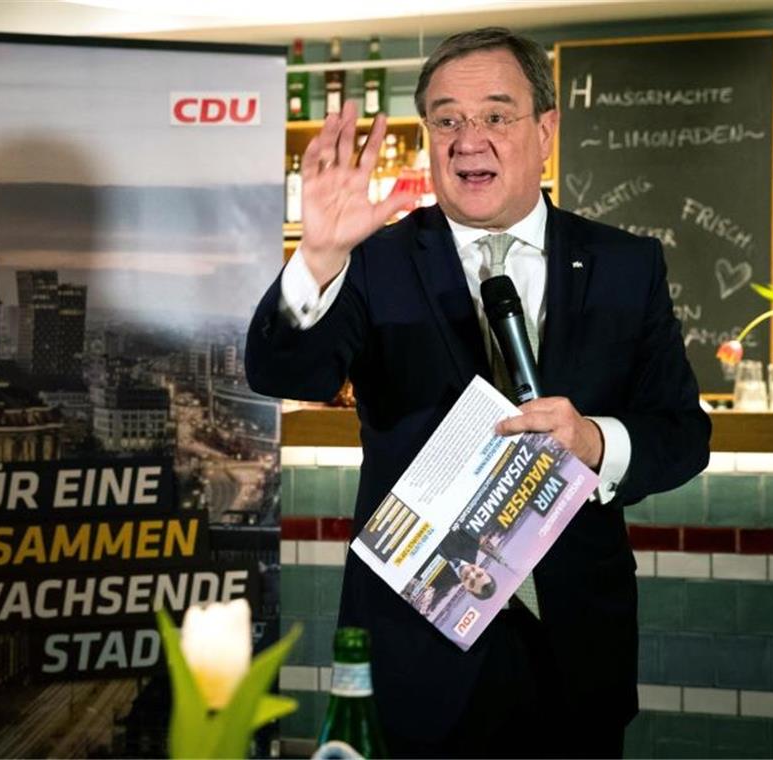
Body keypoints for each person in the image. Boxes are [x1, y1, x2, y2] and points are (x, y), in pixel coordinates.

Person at [246, 27, 710, 758]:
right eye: (447, 119)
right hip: (417, 650)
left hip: (575, 650)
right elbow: (284, 374)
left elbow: (683, 434)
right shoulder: (374, 261)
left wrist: (594, 441)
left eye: (496, 115)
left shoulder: (628, 265)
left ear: (545, 130)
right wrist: (317, 257)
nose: (469, 140)